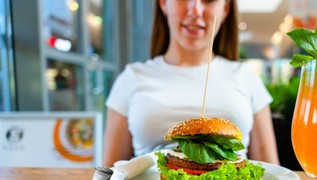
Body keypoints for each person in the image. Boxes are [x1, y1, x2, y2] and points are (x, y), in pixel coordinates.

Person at [103, 0, 279, 166]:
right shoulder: (132, 77)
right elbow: (110, 173)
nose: (195, 10)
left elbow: (270, 169)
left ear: (225, 8)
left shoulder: (246, 76)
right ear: (164, 3)